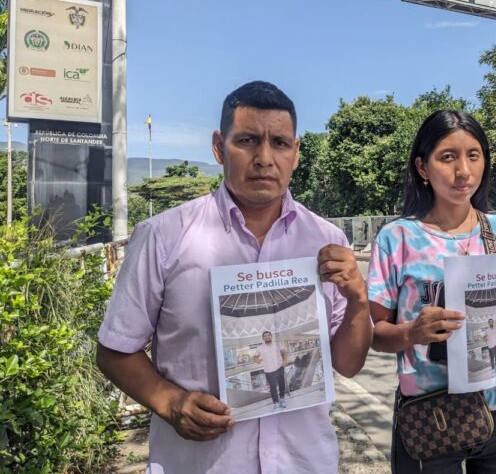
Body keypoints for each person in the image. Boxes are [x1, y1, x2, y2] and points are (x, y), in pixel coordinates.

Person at [97, 81, 372, 474]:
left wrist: (358, 299)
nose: (263, 158)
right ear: (218, 146)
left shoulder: (328, 241)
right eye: (246, 140)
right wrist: (170, 402)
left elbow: (347, 363)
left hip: (305, 462)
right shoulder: (163, 236)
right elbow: (114, 349)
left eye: (279, 143)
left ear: (295, 153)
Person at [368, 109, 496, 474]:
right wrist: (411, 332)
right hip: (431, 417)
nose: (463, 170)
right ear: (422, 167)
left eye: (473, 155)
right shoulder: (396, 238)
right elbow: (376, 335)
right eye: (448, 157)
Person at [256, 331, 288, 410]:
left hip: (279, 367)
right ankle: (276, 402)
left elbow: (284, 352)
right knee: (273, 387)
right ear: (263, 338)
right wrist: (257, 360)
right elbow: (255, 357)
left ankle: (282, 399)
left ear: (271, 336)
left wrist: (285, 361)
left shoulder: (277, 344)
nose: (267, 337)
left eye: (268, 335)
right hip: (268, 370)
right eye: (265, 336)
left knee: (281, 384)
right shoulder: (260, 347)